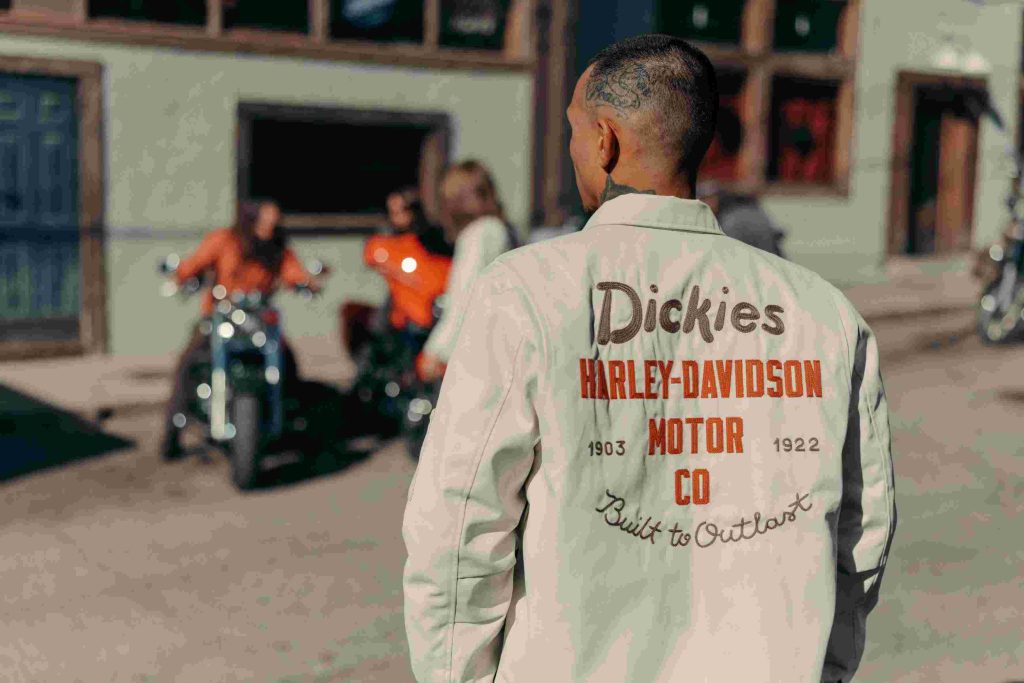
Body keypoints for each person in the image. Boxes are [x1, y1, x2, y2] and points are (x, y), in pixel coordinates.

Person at [403, 34, 896, 683]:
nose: (574, 150)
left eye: (574, 132)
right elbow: (861, 538)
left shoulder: (525, 293)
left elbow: (459, 526)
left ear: (605, 141)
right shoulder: (824, 313)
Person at [160, 198, 320, 460]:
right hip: (219, 318)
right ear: (250, 219)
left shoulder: (278, 248)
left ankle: (290, 420)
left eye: (274, 222)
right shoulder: (224, 240)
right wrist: (181, 276)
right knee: (189, 363)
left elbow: (293, 272)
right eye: (264, 221)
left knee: (289, 361)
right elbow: (195, 263)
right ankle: (172, 432)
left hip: (258, 321)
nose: (269, 227)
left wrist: (307, 282)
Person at [417, 160, 517, 381]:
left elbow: (465, 297)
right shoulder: (498, 229)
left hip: (478, 357)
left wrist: (436, 351)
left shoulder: (481, 233)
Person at [698, 181, 788, 257]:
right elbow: (778, 233)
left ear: (718, 197)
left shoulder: (731, 220)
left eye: (707, 199)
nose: (704, 204)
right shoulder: (750, 206)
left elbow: (729, 254)